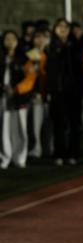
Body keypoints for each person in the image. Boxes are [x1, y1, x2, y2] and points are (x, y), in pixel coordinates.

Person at [45, 18, 83, 165]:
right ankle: (59, 154)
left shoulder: (76, 47)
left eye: (66, 27)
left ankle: (73, 154)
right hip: (57, 91)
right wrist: (48, 91)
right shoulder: (50, 47)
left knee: (75, 124)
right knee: (58, 124)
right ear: (55, 29)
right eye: (60, 26)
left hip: (74, 91)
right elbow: (47, 72)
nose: (63, 29)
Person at [1, 30, 36, 169]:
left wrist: (16, 89)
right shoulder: (1, 56)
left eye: (13, 39)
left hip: (19, 97)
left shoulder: (24, 58)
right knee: (3, 127)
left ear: (17, 41)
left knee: (20, 127)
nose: (10, 42)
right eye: (7, 39)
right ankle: (4, 157)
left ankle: (20, 157)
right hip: (3, 97)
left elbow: (30, 78)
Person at [26, 28, 51, 159]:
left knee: (50, 123)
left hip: (51, 93)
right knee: (35, 124)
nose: (40, 40)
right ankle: (36, 148)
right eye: (37, 37)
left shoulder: (51, 53)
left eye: (43, 37)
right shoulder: (31, 54)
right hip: (36, 94)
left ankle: (50, 148)